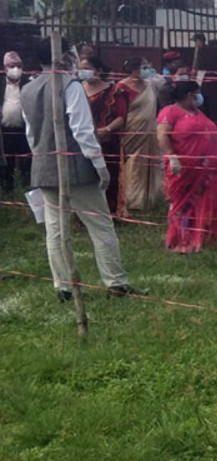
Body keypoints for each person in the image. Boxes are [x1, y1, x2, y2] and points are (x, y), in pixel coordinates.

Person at [21, 45, 145, 300]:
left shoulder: (28, 89)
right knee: (100, 225)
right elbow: (82, 131)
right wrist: (99, 165)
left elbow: (31, 134)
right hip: (76, 167)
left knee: (55, 230)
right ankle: (116, 283)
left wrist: (41, 159)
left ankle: (63, 287)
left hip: (45, 166)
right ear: (65, 57)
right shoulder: (71, 85)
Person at [156, 81, 217, 254]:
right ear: (189, 94)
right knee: (183, 203)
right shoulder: (170, 112)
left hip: (208, 169)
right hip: (184, 167)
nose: (200, 96)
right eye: (197, 92)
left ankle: (206, 238)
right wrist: (172, 156)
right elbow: (162, 135)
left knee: (207, 200)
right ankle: (181, 241)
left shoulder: (197, 112)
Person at [81, 57, 127, 213]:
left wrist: (107, 129)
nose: (83, 72)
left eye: (86, 68)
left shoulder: (115, 92)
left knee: (108, 177)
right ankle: (84, 214)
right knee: (84, 178)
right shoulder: (77, 90)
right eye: (81, 68)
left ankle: (110, 212)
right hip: (82, 142)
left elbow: (121, 117)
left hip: (107, 142)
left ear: (98, 70)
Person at [118, 59, 164, 213]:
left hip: (149, 131)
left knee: (148, 163)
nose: (147, 70)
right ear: (133, 69)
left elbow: (163, 85)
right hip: (131, 131)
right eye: (143, 67)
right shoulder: (121, 87)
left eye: (148, 67)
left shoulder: (151, 85)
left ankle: (147, 199)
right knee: (133, 164)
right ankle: (131, 199)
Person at [3, 51, 32, 195]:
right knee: (7, 160)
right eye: (11, 66)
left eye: (18, 66)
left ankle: (26, 188)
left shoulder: (29, 84)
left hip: (24, 130)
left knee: (26, 159)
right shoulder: (1, 86)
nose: (15, 69)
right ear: (4, 68)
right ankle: (7, 188)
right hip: (5, 131)